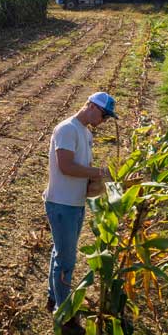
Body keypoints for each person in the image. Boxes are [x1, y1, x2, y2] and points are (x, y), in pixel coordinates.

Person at [44, 91, 118, 314]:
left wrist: (94, 183)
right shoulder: (67, 129)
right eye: (104, 116)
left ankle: (53, 298)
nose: (103, 122)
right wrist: (101, 172)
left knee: (61, 253)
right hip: (61, 203)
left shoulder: (85, 133)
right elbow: (66, 166)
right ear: (93, 107)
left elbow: (81, 168)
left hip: (75, 203)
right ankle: (63, 312)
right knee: (66, 261)